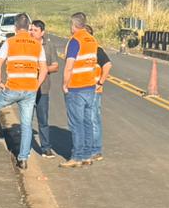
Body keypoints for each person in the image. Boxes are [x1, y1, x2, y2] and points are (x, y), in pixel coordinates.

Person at [0, 13, 45, 169]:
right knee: (26, 125)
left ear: (15, 27)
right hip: (30, 89)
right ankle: (23, 159)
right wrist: (36, 85)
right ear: (29, 26)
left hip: (13, 87)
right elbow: (43, 69)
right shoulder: (37, 44)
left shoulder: (10, 42)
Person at [61, 12, 101, 168]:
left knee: (76, 124)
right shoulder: (92, 39)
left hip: (76, 87)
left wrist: (65, 84)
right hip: (90, 86)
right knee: (87, 122)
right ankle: (87, 155)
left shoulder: (75, 41)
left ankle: (77, 156)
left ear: (73, 25)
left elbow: (69, 65)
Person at [28, 20, 59, 157]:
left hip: (43, 88)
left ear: (42, 32)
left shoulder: (49, 46)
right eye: (31, 29)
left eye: (35, 30)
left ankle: (45, 147)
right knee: (26, 118)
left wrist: (43, 70)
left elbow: (55, 66)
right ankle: (25, 147)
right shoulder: (26, 44)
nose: (31, 32)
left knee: (43, 119)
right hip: (27, 86)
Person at [91, 39, 112, 161]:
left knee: (93, 119)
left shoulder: (96, 50)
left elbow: (107, 65)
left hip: (94, 90)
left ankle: (96, 150)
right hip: (83, 89)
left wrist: (100, 82)